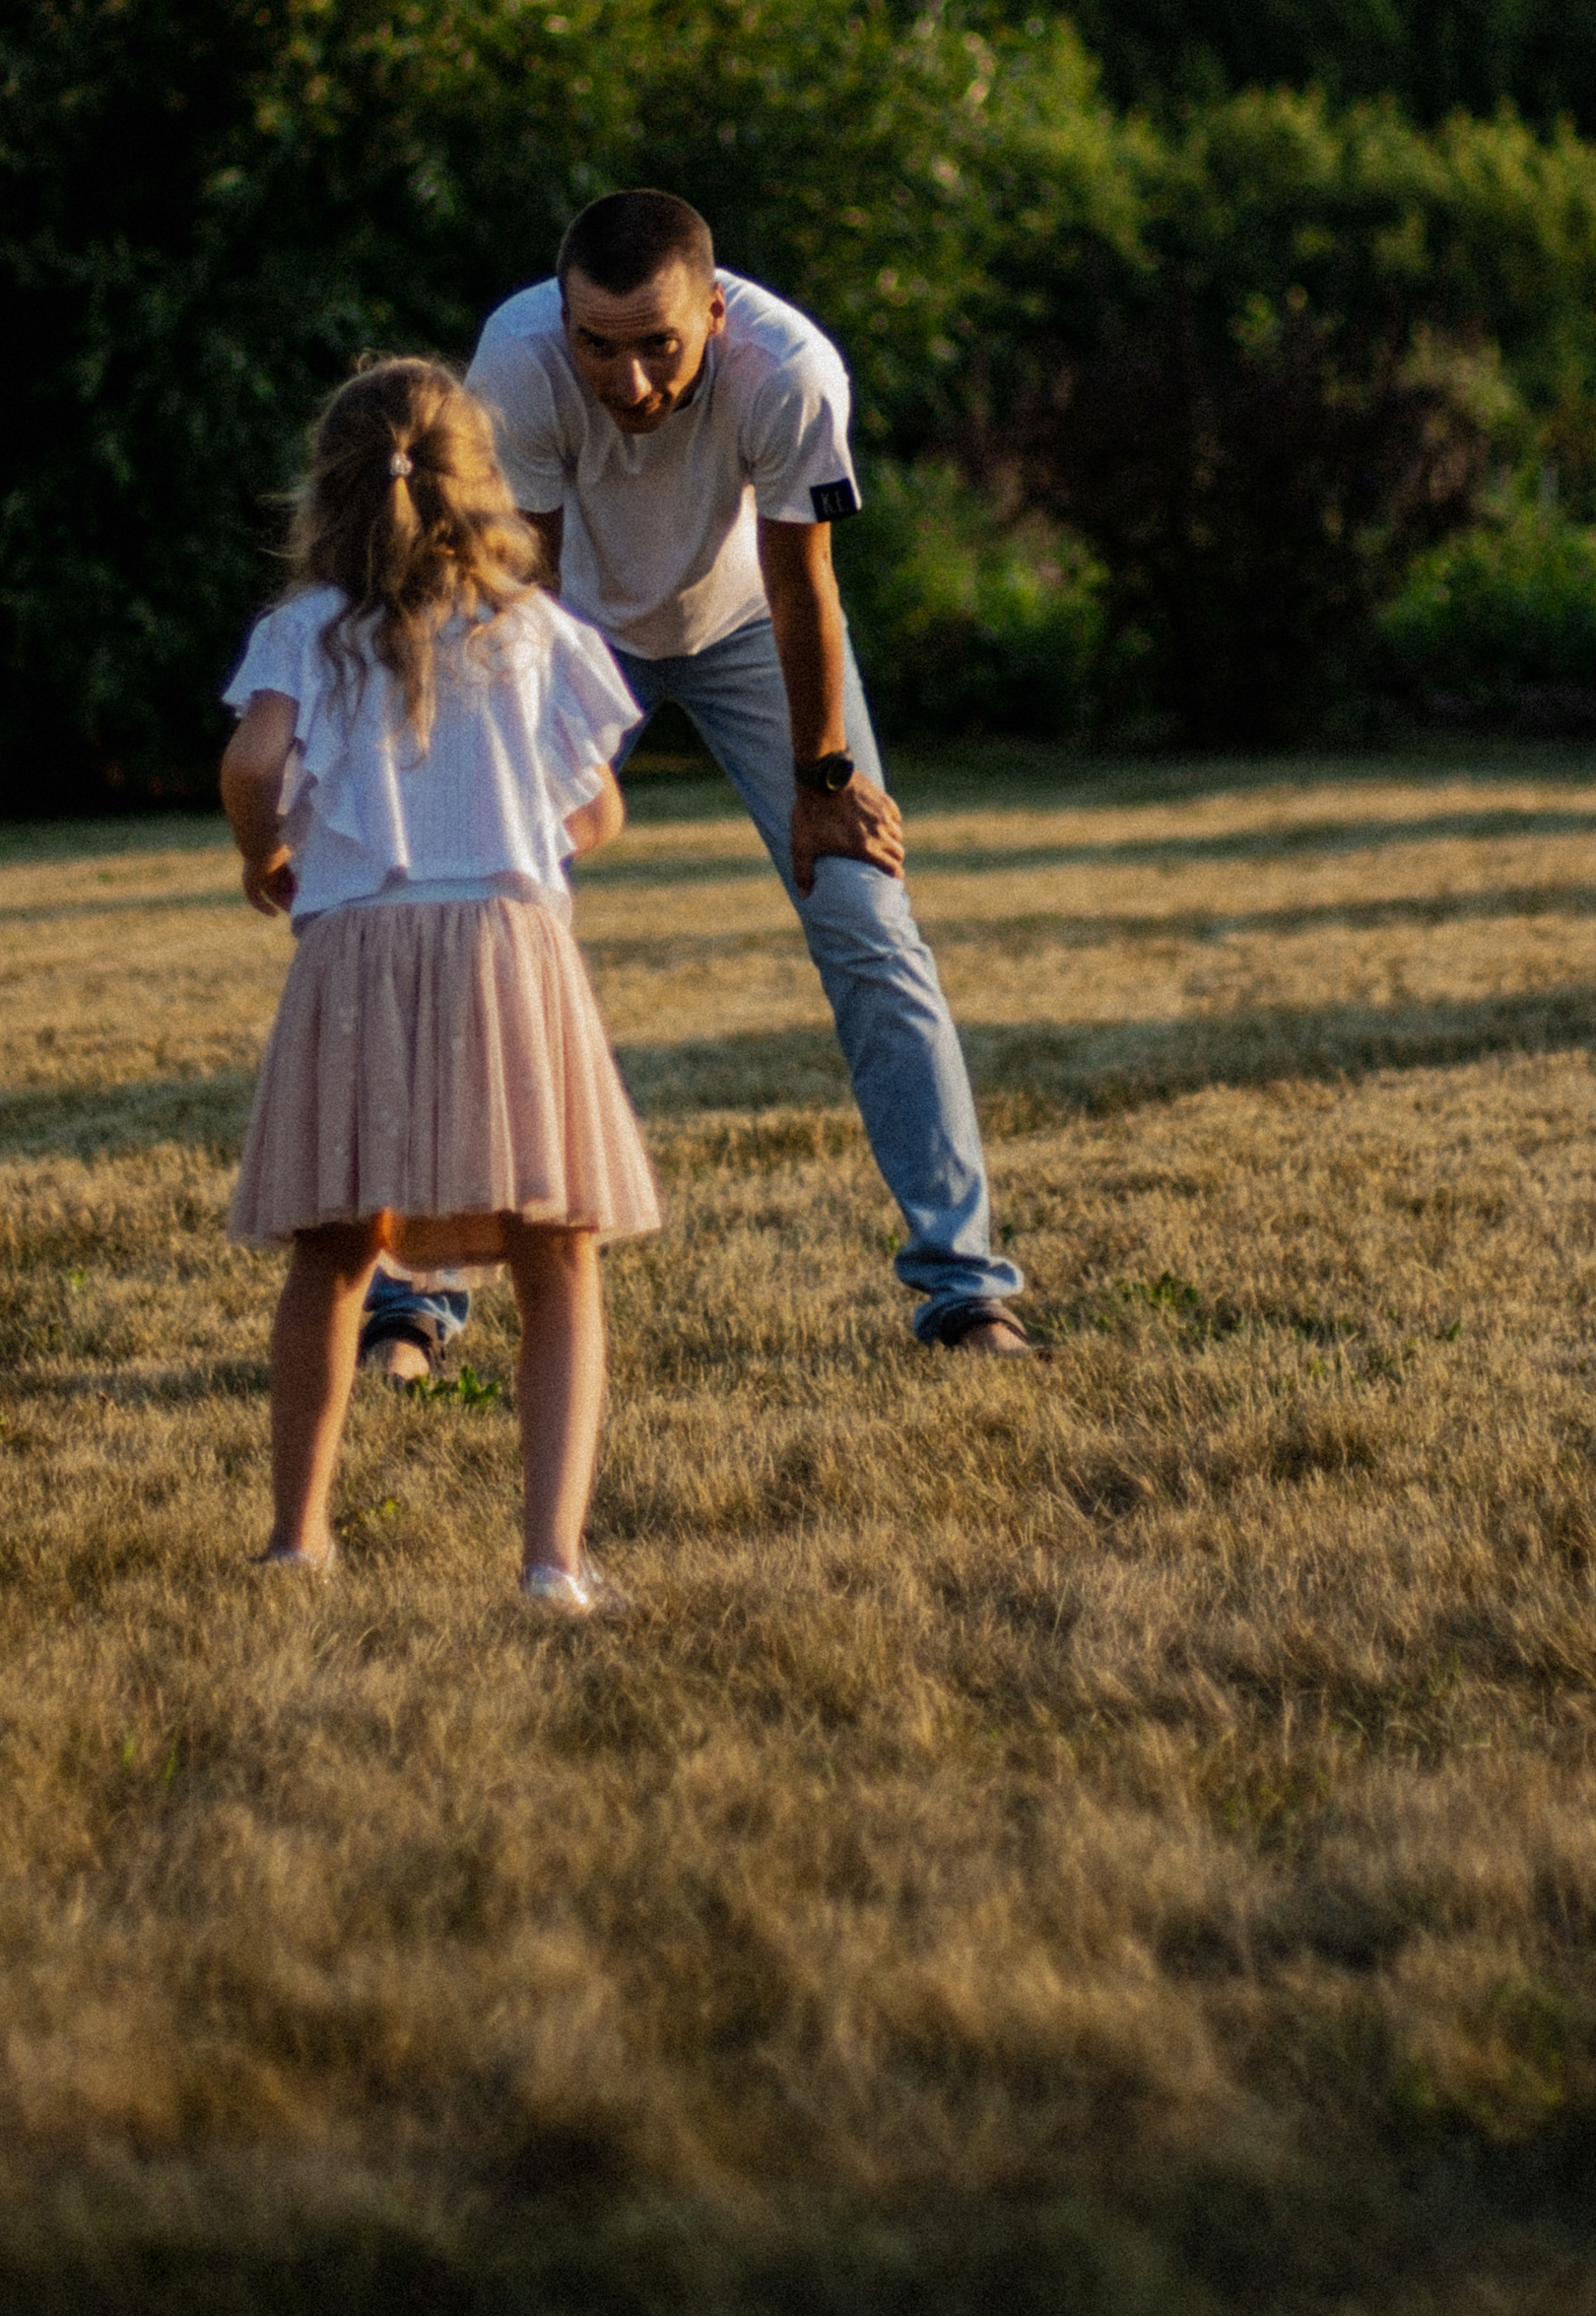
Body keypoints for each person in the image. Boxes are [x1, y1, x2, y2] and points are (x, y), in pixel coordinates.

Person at [355, 190, 1031, 1384]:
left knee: (869, 925)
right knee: (472, 930)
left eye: (657, 346)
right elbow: (526, 593)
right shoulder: (517, 363)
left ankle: (964, 1288)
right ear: (563, 319)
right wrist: (530, 792)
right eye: (597, 345)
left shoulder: (789, 373)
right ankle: (415, 1301)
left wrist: (825, 779)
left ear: (713, 313)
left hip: (748, 628)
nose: (626, 379)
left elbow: (802, 584)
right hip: (569, 633)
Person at [218, 355, 659, 1611]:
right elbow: (599, 811)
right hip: (507, 953)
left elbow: (252, 764)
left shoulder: (304, 629)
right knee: (556, 1251)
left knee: (334, 1245)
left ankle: (298, 1539)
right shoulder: (533, 630)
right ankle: (552, 1561)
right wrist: (513, 832)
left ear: (330, 491)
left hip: (355, 950)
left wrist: (266, 854)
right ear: (482, 484)